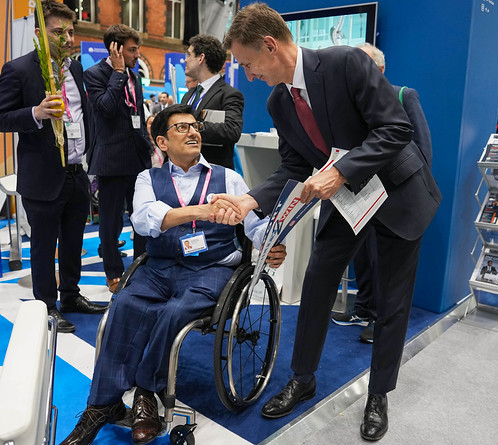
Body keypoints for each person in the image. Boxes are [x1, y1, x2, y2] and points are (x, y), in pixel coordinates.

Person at [220, 4, 441, 441]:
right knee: (318, 279)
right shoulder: (278, 101)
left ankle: (379, 393)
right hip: (348, 201)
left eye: (247, 64)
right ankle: (303, 379)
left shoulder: (346, 64)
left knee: (392, 300)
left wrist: (341, 170)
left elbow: (396, 129)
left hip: (397, 194)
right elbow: (292, 166)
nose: (247, 75)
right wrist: (249, 199)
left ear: (270, 45)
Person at [59, 104, 287, 445]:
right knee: (122, 306)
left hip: (212, 267)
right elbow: (145, 219)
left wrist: (270, 244)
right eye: (182, 128)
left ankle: (145, 395)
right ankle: (101, 405)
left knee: (176, 312)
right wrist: (201, 210)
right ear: (162, 142)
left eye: (195, 126)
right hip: (160, 266)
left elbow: (254, 224)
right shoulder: (147, 179)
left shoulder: (229, 177)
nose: (194, 132)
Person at [0, 0, 106, 333]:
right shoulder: (18, 70)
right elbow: (2, 117)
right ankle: (46, 306)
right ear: (38, 35)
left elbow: (82, 113)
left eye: (71, 31)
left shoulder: (74, 69)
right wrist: (35, 113)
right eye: (57, 32)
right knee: (44, 247)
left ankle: (71, 295)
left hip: (76, 172)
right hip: (43, 176)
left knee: (74, 241)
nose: (67, 38)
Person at [331, 42, 435, 344]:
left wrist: (413, 191)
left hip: (395, 195)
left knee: (383, 260)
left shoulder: (403, 94)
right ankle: (362, 307)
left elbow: (423, 148)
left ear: (380, 69)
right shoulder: (348, 101)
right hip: (360, 192)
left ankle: (379, 317)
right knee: (362, 255)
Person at [84, 24, 153, 293]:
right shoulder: (95, 74)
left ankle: (140, 267)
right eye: (133, 50)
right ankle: (113, 272)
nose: (137, 55)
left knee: (141, 219)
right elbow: (106, 109)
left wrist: (147, 146)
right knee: (111, 223)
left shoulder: (135, 77)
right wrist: (118, 73)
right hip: (111, 161)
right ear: (115, 48)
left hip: (137, 158)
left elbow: (137, 115)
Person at [181, 34, 244, 169]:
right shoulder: (189, 95)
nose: (185, 60)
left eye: (189, 55)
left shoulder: (229, 94)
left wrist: (194, 127)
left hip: (214, 172)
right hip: (186, 171)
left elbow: (232, 130)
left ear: (201, 58)